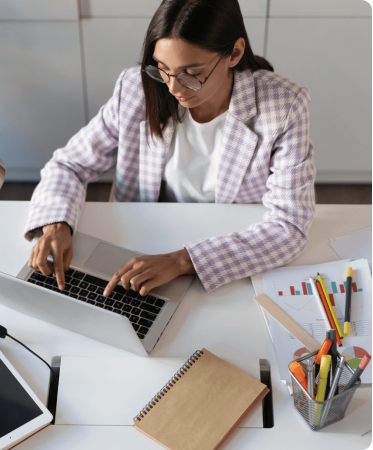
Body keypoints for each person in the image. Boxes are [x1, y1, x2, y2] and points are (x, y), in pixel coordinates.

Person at [24, 0, 315, 298]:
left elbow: (289, 226)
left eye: (191, 72)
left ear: (234, 53)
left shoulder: (284, 106)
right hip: (142, 241)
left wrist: (181, 260)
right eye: (162, 69)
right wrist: (56, 225)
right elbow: (69, 164)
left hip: (226, 250)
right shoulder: (136, 90)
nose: (173, 89)